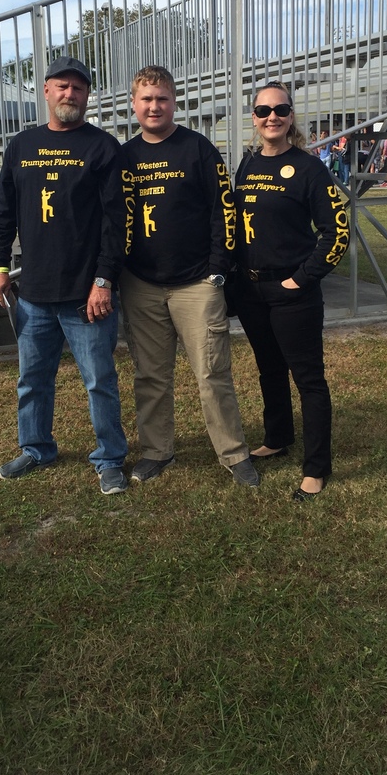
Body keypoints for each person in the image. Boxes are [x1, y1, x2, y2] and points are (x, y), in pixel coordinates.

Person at [0, 56, 129, 494]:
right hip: (34, 294)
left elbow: (116, 222)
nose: (70, 94)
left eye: (78, 88)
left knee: (99, 382)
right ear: (46, 90)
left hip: (87, 297)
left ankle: (109, 458)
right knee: (32, 380)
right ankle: (36, 448)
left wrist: (103, 281)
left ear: (87, 95)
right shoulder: (22, 146)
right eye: (62, 86)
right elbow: (3, 211)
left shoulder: (102, 147)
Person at [118, 65, 258, 487]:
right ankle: (156, 451)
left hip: (197, 282)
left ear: (174, 102)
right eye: (146, 99)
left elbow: (223, 211)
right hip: (141, 283)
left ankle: (233, 453)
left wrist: (218, 268)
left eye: (161, 98)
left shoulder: (198, 149)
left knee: (212, 373)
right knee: (150, 375)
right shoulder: (124, 156)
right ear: (133, 104)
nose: (154, 106)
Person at [232, 81, 350, 501]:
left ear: (291, 116)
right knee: (269, 369)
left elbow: (336, 232)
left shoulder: (309, 168)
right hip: (251, 290)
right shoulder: (246, 164)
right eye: (264, 111)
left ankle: (316, 468)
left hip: (292, 292)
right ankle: (278, 437)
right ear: (254, 117)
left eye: (280, 110)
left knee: (309, 379)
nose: (272, 117)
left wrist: (301, 279)